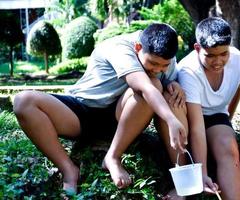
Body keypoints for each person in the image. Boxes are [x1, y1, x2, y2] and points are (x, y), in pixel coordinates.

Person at [13, 23, 188, 196]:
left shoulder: (166, 58)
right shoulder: (120, 48)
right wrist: (171, 120)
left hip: (122, 119)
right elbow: (145, 87)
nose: (158, 69)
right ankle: (68, 170)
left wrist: (172, 83)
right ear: (138, 47)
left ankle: (113, 157)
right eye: (153, 63)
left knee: (156, 83)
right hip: (80, 112)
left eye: (164, 66)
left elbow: (162, 84)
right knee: (23, 101)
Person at [178, 17, 240, 200]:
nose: (218, 61)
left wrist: (228, 120)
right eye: (210, 56)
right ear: (197, 48)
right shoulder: (188, 70)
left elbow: (239, 88)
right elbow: (197, 127)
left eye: (224, 54)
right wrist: (203, 173)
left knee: (228, 147)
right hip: (188, 115)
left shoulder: (238, 59)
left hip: (217, 114)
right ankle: (184, 183)